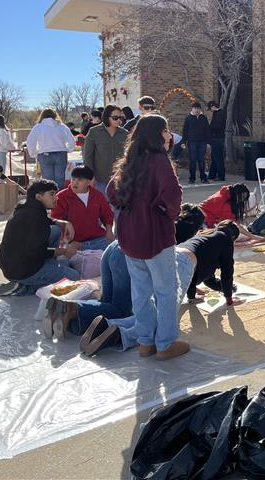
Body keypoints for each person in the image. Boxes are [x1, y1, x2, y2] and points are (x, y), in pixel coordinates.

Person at [46, 205, 206, 346]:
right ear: (196, 230)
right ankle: (73, 308)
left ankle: (69, 319)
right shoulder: (177, 240)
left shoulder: (164, 220)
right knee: (122, 311)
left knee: (107, 304)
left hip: (115, 247)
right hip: (127, 256)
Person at [107, 114, 187, 360]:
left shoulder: (130, 160)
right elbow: (172, 195)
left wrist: (129, 207)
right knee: (166, 291)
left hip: (129, 234)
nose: (169, 135)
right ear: (156, 134)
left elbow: (111, 191)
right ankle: (165, 344)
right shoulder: (159, 160)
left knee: (140, 291)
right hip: (154, 235)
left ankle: (145, 342)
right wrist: (166, 213)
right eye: (166, 130)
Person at [0, 179, 81, 292]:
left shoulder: (26, 206)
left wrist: (62, 222)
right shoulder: (35, 217)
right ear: (38, 197)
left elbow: (46, 221)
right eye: (52, 194)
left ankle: (48, 267)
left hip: (12, 263)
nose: (56, 198)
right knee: (74, 277)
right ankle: (22, 288)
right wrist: (64, 251)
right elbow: (36, 252)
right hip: (22, 270)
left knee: (55, 230)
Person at [51, 165, 115, 251]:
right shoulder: (61, 197)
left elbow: (107, 214)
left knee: (117, 252)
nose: (75, 182)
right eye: (73, 179)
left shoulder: (97, 195)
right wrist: (67, 241)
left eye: (80, 180)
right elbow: (56, 221)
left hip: (97, 239)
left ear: (89, 182)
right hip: (73, 242)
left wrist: (109, 232)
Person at [184, 220, 244, 306]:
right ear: (233, 237)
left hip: (173, 255)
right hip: (187, 262)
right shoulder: (225, 239)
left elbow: (207, 276)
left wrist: (192, 296)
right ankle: (191, 297)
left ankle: (192, 298)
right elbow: (227, 272)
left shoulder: (206, 235)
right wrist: (229, 299)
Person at [82, 104, 128, 194]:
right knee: (101, 202)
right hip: (100, 180)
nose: (119, 120)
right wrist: (90, 176)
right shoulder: (93, 132)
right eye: (115, 117)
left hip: (119, 180)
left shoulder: (125, 133)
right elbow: (87, 156)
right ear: (107, 117)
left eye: (120, 117)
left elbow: (128, 157)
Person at [26, 109, 76, 186]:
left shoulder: (38, 127)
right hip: (61, 153)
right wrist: (68, 149)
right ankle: (59, 193)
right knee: (60, 178)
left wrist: (34, 153)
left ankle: (49, 193)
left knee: (47, 180)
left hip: (44, 154)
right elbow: (72, 141)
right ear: (55, 116)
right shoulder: (62, 126)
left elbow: (30, 142)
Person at [181, 101, 210, 184]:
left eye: (198, 108)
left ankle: (203, 178)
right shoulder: (188, 118)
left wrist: (208, 142)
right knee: (193, 160)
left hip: (202, 142)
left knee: (201, 160)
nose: (197, 110)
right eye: (195, 108)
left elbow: (207, 130)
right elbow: (185, 131)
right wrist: (183, 142)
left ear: (200, 109)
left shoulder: (203, 118)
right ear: (192, 109)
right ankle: (192, 178)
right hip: (192, 142)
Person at [207, 100, 226, 181]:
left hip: (217, 138)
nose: (210, 110)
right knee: (214, 157)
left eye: (210, 108)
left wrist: (210, 129)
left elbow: (217, 126)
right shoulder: (217, 113)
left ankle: (221, 175)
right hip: (216, 138)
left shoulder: (220, 114)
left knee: (218, 158)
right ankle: (212, 174)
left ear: (213, 106)